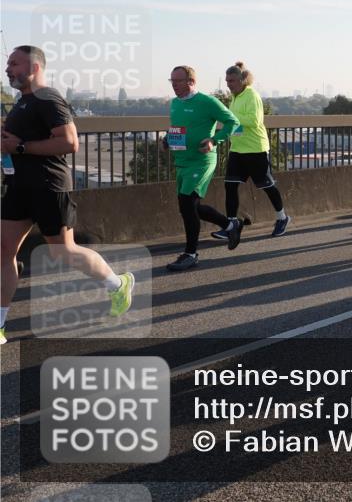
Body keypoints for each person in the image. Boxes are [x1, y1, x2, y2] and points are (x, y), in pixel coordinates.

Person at [1, 46, 135, 344]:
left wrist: (20, 146)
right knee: (3, 250)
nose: (8, 69)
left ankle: (118, 284)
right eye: (8, 64)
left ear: (34, 67)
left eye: (14, 63)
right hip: (19, 185)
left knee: (63, 251)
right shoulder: (23, 102)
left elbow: (70, 142)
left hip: (48, 186)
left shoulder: (48, 98)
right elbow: (20, 142)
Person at [164, 66, 242, 271]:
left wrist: (214, 140)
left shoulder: (207, 102)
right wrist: (167, 139)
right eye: (172, 81)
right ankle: (230, 225)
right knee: (190, 207)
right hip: (182, 161)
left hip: (202, 160)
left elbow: (233, 122)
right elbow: (178, 127)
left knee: (188, 203)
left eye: (178, 81)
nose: (174, 85)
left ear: (191, 81)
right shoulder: (175, 103)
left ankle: (190, 254)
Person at [212, 62, 290, 240]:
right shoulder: (234, 97)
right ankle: (231, 225)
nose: (228, 84)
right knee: (230, 185)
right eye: (227, 81)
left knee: (267, 186)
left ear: (242, 80)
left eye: (232, 81)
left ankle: (282, 218)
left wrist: (229, 117)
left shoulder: (251, 95)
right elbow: (236, 123)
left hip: (255, 149)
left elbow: (254, 120)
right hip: (237, 149)